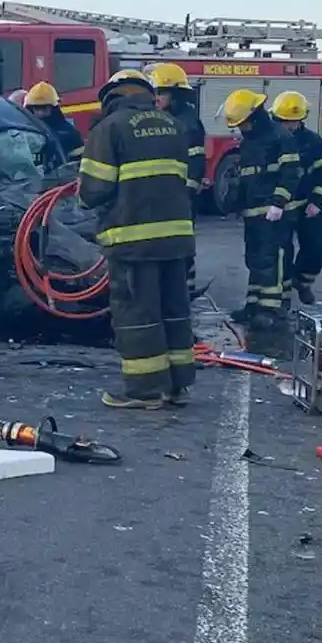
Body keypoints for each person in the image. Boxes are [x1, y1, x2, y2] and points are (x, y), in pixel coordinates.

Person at [78, 70, 196, 410]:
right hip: (175, 239)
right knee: (173, 309)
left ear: (112, 96)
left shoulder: (110, 128)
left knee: (137, 313)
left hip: (133, 241)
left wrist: (81, 193)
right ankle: (175, 386)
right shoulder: (174, 126)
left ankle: (145, 391)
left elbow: (94, 190)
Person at [222, 89, 302, 331]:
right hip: (253, 212)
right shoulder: (250, 141)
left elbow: (291, 173)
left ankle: (270, 310)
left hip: (272, 212)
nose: (240, 129)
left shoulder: (280, 137)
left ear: (254, 117)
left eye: (242, 123)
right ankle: (253, 305)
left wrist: (278, 203)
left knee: (270, 260)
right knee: (254, 259)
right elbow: (247, 177)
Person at [270, 91, 322, 306]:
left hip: (307, 205)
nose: (290, 126)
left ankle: (303, 281)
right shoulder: (271, 141)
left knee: (318, 245)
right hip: (280, 207)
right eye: (285, 121)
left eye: (294, 121)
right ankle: (284, 296)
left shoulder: (313, 142)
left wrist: (317, 200)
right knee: (283, 252)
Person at [147, 63, 205, 296]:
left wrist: (185, 194)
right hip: (165, 194)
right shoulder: (163, 119)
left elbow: (196, 164)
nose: (157, 98)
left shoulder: (188, 123)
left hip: (180, 197)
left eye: (162, 93)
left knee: (180, 246)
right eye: (155, 93)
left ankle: (184, 292)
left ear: (176, 94)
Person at [24, 81, 85, 163]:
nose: (40, 112)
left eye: (44, 107)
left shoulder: (69, 133)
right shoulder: (24, 131)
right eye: (37, 108)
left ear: (53, 107)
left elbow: (78, 163)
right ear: (30, 108)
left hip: (60, 175)